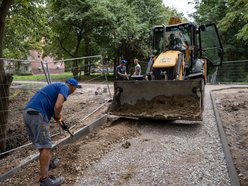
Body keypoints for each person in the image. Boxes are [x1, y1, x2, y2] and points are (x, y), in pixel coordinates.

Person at [23, 78, 79, 186]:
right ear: (72, 86)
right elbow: (58, 106)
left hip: (28, 113)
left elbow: (54, 111)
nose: (74, 91)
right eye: (75, 88)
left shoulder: (55, 87)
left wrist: (62, 123)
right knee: (46, 146)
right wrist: (58, 116)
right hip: (38, 115)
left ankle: (47, 164)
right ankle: (45, 180)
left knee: (42, 144)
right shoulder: (64, 87)